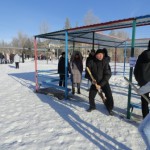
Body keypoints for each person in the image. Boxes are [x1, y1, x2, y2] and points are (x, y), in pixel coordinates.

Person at [86, 49, 114, 115]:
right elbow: (87, 73)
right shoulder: (91, 62)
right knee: (91, 96)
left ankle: (110, 108)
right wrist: (91, 80)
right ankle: (92, 106)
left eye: (101, 55)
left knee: (109, 95)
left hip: (104, 82)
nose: (100, 56)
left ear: (103, 55)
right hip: (95, 82)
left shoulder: (105, 62)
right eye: (98, 55)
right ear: (96, 55)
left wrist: (101, 85)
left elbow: (108, 74)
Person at [134, 40, 150, 119]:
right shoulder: (146, 54)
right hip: (146, 82)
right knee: (145, 101)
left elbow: (136, 69)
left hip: (143, 81)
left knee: (145, 101)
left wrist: (138, 79)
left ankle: (146, 118)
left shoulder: (143, 54)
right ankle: (146, 119)